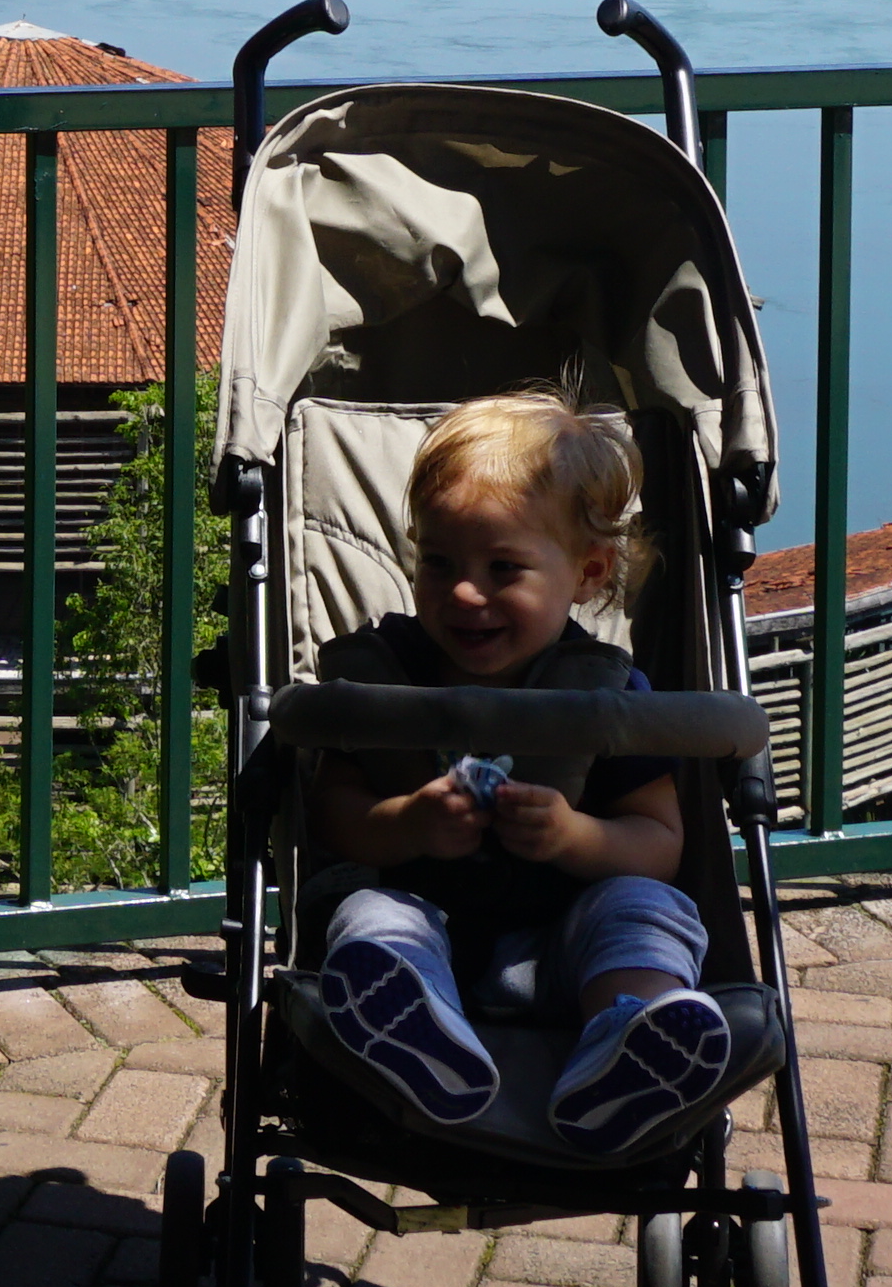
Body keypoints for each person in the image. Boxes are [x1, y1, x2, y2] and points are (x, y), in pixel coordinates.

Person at [297, 389, 749, 1153]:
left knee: (643, 905)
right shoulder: (389, 679)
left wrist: (574, 837)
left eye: (503, 568)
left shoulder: (608, 695)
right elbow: (335, 814)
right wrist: (407, 822)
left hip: (565, 951)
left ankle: (627, 1040)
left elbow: (659, 840)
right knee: (366, 915)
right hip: (424, 925)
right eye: (438, 564)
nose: (465, 594)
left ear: (586, 572)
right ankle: (417, 1036)